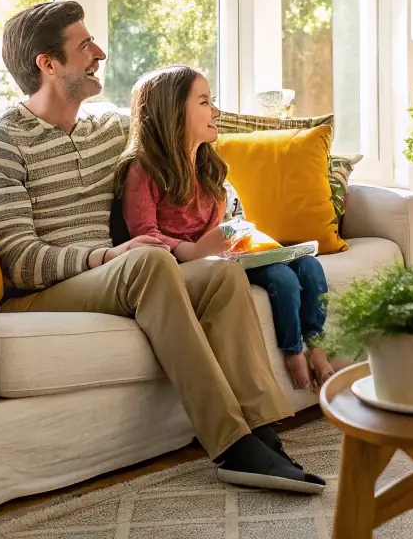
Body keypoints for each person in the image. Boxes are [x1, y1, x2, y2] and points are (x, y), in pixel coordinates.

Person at [0, 1, 325, 494]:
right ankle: (230, 445)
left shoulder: (107, 130)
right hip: (47, 289)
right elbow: (20, 262)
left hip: (120, 274)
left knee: (219, 273)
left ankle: (263, 431)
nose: (100, 52)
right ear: (47, 65)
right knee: (149, 259)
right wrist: (105, 255)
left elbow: (178, 120)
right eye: (83, 45)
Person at [116, 65, 337, 393]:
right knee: (283, 278)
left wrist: (250, 239)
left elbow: (235, 218)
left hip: (235, 256)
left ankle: (316, 348)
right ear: (173, 111)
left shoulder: (210, 167)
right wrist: (188, 249)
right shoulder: (143, 169)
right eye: (204, 102)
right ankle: (292, 352)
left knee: (309, 266)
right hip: (195, 268)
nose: (216, 111)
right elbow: (143, 234)